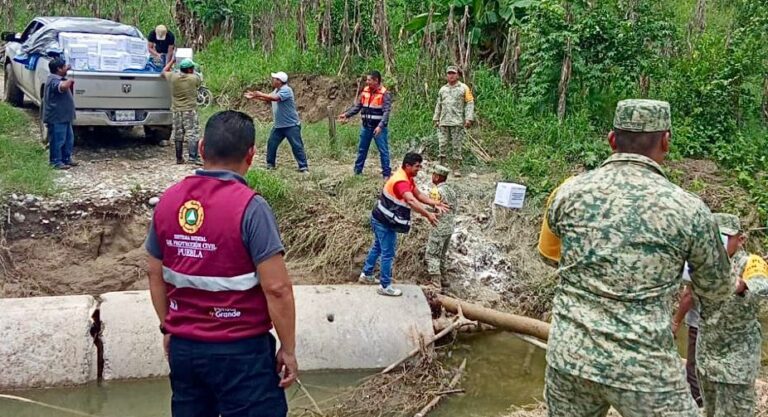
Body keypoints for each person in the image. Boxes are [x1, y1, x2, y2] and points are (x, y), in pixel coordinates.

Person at [541, 99, 733, 417]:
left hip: (570, 359)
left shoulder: (567, 193)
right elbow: (718, 290)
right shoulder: (690, 210)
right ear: (666, 141)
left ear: (611, 140)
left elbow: (550, 257)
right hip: (645, 370)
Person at [145, 110, 297, 417]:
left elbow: (153, 272)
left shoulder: (168, 201)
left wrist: (168, 327)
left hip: (186, 351)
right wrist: (288, 349)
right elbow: (277, 288)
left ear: (202, 148)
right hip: (242, 353)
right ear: (251, 155)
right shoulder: (252, 208)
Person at [694, 213, 768, 417]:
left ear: (740, 239)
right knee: (710, 411)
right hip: (707, 357)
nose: (717, 243)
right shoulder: (704, 264)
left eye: (724, 237)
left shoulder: (750, 262)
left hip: (737, 360)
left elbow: (762, 284)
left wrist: (740, 285)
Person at [359, 153, 449, 296]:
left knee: (378, 247)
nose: (419, 169)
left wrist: (435, 203)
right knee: (388, 253)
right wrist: (428, 214)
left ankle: (366, 274)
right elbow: (411, 201)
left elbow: (418, 195)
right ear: (407, 165)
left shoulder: (407, 177)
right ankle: (385, 286)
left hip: (381, 217)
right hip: (384, 221)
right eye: (417, 166)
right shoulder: (401, 181)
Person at [244, 71, 309, 173]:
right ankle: (270, 165)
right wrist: (255, 96)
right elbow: (268, 98)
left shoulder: (286, 90)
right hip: (279, 125)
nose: (273, 80)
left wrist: (260, 94)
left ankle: (303, 167)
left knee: (297, 146)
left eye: (275, 79)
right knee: (271, 144)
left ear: (280, 81)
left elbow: (274, 98)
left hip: (291, 125)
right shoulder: (276, 90)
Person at [338, 70, 393, 179]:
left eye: (369, 80)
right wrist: (347, 115)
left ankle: (386, 174)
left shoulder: (384, 94)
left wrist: (380, 126)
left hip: (378, 128)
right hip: (366, 126)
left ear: (376, 80)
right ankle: (357, 172)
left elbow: (386, 112)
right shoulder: (365, 91)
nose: (367, 82)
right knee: (362, 150)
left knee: (383, 151)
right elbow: (358, 106)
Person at [432, 66, 475, 177]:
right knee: (442, 144)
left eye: (453, 73)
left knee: (457, 146)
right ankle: (441, 166)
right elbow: (438, 104)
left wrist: (469, 118)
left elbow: (470, 103)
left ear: (457, 75)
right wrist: (436, 118)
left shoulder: (463, 88)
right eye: (449, 73)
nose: (451, 75)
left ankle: (456, 168)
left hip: (457, 122)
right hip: (444, 122)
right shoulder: (443, 89)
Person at [672, 264, 704, 408]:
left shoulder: (698, 261)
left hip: (699, 324)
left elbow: (688, 296)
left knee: (693, 367)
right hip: (720, 326)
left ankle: (697, 403)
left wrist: (676, 322)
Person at [161, 58, 202, 164]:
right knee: (192, 133)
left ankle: (179, 158)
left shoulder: (173, 77)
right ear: (189, 70)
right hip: (189, 110)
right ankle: (193, 157)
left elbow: (163, 72)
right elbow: (199, 78)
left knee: (178, 134)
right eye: (192, 68)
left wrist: (172, 61)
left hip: (176, 111)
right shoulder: (194, 79)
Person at [424, 164, 457, 288]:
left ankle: (435, 282)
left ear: (437, 177)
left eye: (433, 174)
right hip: (449, 227)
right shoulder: (451, 191)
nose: (432, 176)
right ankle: (444, 278)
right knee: (442, 254)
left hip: (439, 226)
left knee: (432, 254)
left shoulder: (436, 191)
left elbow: (430, 208)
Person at [43, 58, 78, 170]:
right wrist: (70, 80)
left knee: (68, 139)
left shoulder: (58, 77)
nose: (66, 68)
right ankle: (55, 161)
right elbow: (62, 87)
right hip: (56, 117)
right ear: (58, 69)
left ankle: (66, 158)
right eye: (64, 67)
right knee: (58, 140)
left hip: (64, 116)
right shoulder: (53, 80)